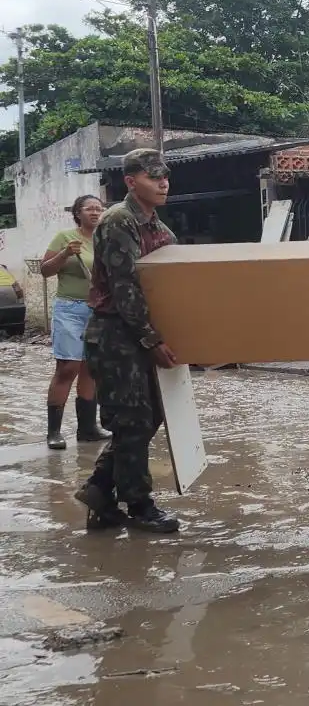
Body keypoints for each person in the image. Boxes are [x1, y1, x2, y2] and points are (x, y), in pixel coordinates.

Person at [74, 149, 181, 533]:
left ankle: (100, 492)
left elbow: (174, 289)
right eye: (154, 176)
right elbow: (126, 289)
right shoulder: (118, 221)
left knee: (146, 419)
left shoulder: (162, 231)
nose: (163, 182)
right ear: (131, 181)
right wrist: (152, 340)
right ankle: (139, 506)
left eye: (165, 176)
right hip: (117, 333)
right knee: (132, 421)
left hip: (142, 333)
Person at [39, 195, 111, 449]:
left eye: (99, 209)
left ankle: (88, 429)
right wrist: (65, 254)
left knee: (91, 368)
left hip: (97, 310)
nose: (95, 212)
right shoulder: (65, 237)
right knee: (68, 366)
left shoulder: (105, 239)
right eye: (89, 208)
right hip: (69, 309)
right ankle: (54, 432)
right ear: (78, 213)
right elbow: (45, 270)